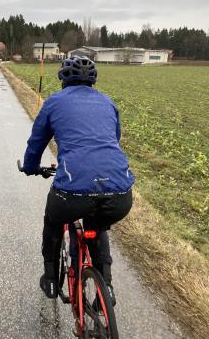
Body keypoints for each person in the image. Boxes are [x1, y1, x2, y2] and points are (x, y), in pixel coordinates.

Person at [22, 56, 134, 302]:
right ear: (93, 80)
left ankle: (51, 279)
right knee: (97, 226)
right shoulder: (108, 102)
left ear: (63, 78)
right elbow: (113, 140)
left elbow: (36, 142)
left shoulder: (54, 102)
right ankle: (107, 286)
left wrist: (30, 167)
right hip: (120, 194)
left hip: (71, 195)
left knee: (53, 220)